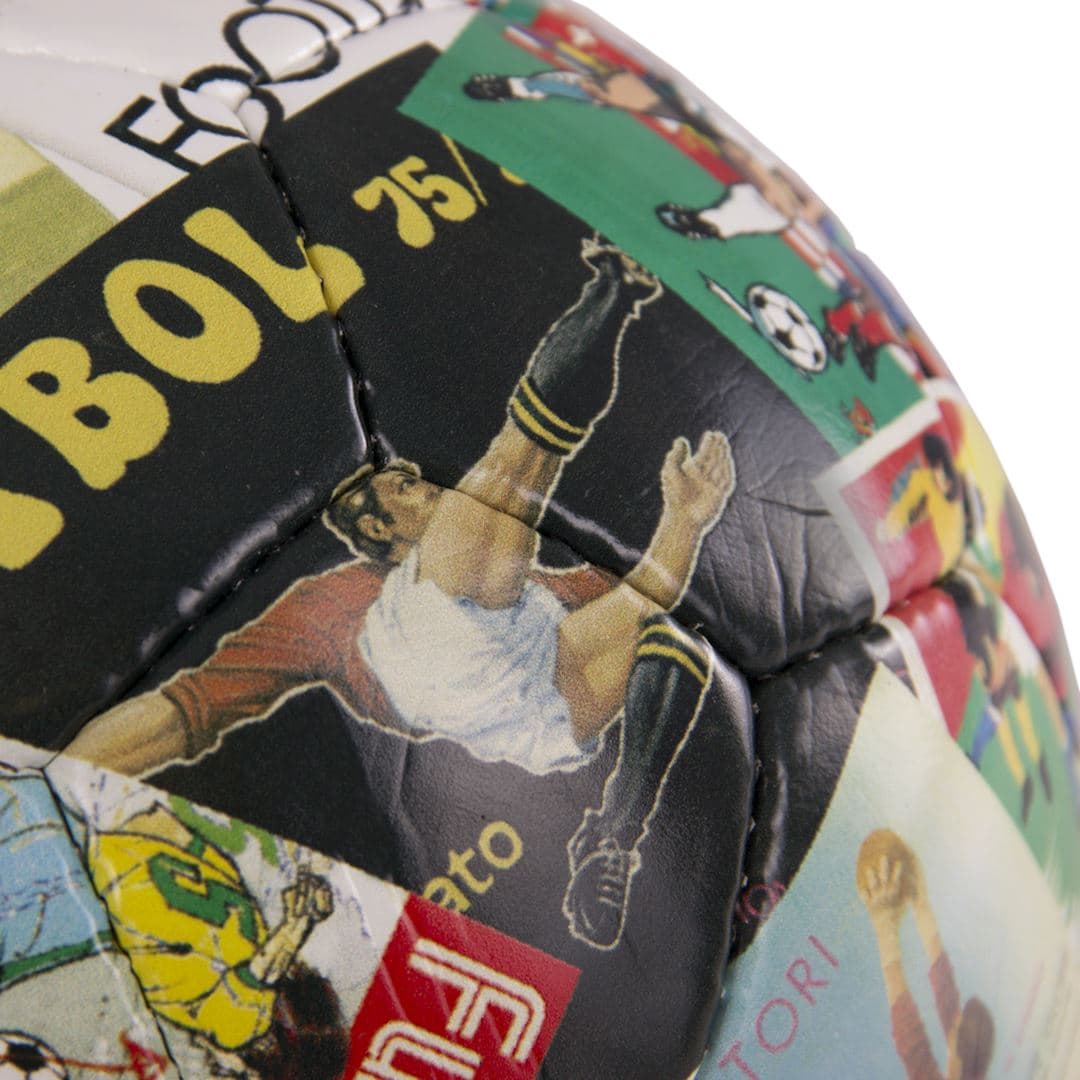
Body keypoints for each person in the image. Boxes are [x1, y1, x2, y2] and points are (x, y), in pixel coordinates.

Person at [67, 239, 738, 950]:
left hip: (536, 717)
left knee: (660, 632)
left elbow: (648, 594)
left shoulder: (533, 585)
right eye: (407, 489)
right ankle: (615, 288)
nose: (429, 487)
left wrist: (685, 520)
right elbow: (183, 709)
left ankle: (613, 839)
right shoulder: (334, 604)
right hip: (422, 670)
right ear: (379, 532)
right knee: (516, 470)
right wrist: (54, 780)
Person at [857, 830, 994, 1080]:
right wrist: (921, 906)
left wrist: (884, 929)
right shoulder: (970, 1069)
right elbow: (947, 999)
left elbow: (913, 1049)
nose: (953, 1020)